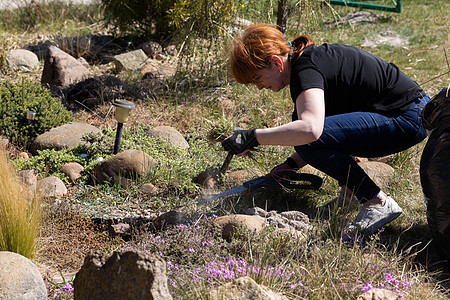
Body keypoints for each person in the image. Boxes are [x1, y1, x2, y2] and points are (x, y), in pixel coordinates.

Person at [222, 24, 430, 235]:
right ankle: (351, 194)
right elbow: (323, 128)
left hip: (407, 117)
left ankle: (377, 202)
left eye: (257, 78)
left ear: (276, 62)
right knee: (301, 123)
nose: (258, 86)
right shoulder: (307, 61)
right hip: (410, 113)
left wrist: (253, 137)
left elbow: (311, 132)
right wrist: (290, 165)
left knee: (305, 131)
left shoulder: (306, 70)